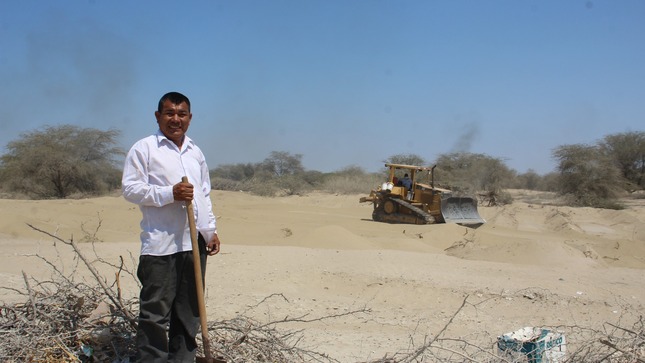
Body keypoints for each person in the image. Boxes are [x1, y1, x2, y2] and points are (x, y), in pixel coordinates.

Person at [122, 91, 221, 362]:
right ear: (158, 116)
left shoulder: (195, 151)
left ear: (190, 118)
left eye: (181, 114)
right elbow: (130, 189)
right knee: (155, 314)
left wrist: (209, 231)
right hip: (160, 246)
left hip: (193, 243)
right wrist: (170, 193)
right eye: (169, 113)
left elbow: (204, 193)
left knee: (189, 313)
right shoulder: (144, 148)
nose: (175, 119)